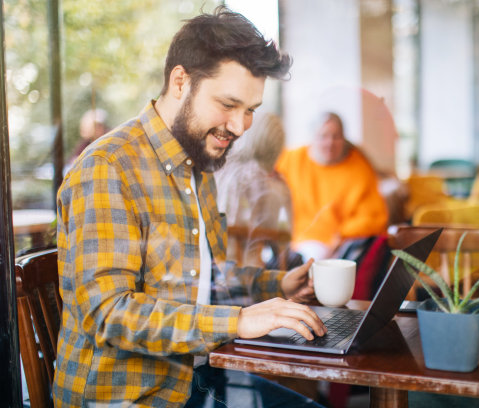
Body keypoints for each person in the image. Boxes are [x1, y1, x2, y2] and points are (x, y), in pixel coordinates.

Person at [54, 7, 327, 408]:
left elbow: (205, 279)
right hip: (132, 397)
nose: (239, 127)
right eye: (228, 104)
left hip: (195, 381)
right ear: (180, 81)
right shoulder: (109, 168)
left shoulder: (198, 163)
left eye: (250, 110)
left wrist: (278, 286)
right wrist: (237, 321)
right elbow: (110, 314)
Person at [275, 111, 388, 261]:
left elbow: (373, 217)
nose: (330, 143)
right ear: (313, 138)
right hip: (296, 240)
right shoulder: (292, 159)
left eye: (336, 136)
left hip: (342, 245)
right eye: (323, 136)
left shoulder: (358, 167)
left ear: (344, 139)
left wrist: (340, 237)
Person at [215, 112, 299, 268]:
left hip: (213, 266)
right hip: (249, 273)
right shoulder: (274, 188)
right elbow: (284, 238)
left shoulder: (219, 171)